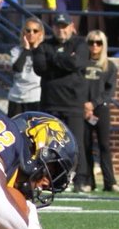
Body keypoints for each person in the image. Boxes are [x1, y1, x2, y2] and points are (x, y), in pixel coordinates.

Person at [30, 12, 90, 188]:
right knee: (48, 145)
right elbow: (40, 67)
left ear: (72, 27)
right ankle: (52, 179)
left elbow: (76, 63)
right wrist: (65, 60)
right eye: (58, 26)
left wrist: (54, 58)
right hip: (50, 103)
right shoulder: (44, 45)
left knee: (77, 144)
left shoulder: (80, 44)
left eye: (64, 26)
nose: (61, 30)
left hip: (73, 103)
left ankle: (81, 180)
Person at [78, 29, 119, 192]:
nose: (95, 46)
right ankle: (89, 181)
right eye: (91, 42)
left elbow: (109, 91)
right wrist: (84, 104)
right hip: (82, 109)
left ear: (104, 45)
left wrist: (93, 104)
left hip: (100, 109)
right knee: (85, 144)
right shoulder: (81, 64)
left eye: (98, 42)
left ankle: (110, 182)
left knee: (104, 145)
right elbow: (76, 85)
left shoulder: (109, 66)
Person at [9, 18, 44, 116]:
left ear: (40, 33)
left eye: (35, 31)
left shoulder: (44, 51)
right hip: (16, 97)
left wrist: (36, 49)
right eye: (28, 30)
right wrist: (26, 49)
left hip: (35, 97)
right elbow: (17, 68)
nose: (31, 33)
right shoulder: (16, 50)